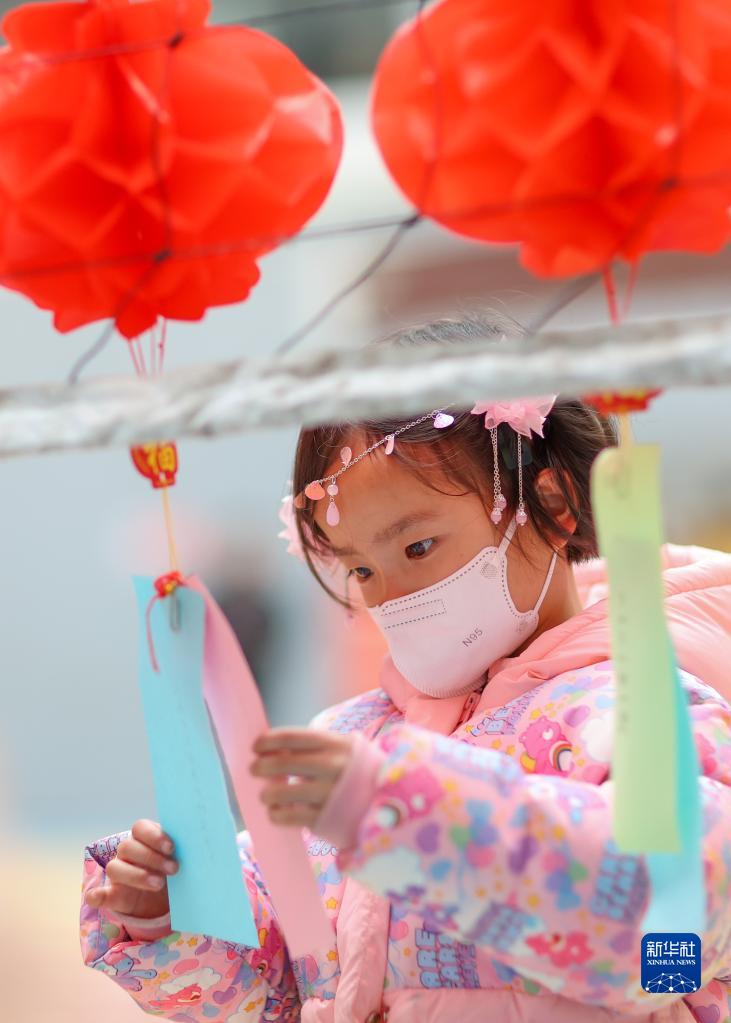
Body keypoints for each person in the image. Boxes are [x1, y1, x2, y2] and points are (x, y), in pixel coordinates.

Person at [81, 316, 731, 1023]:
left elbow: (671, 945)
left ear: (551, 506)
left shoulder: (646, 710)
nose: (388, 594)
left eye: (417, 546)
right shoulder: (356, 738)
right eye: (361, 567)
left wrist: (408, 815)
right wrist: (181, 908)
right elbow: (292, 981)